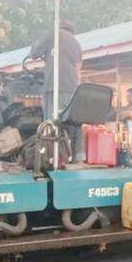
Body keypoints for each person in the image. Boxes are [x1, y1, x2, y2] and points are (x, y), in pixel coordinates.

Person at [30, 20, 84, 161]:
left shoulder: (52, 35)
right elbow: (78, 67)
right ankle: (79, 156)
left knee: (51, 122)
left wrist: (36, 40)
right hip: (72, 88)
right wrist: (76, 89)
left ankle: (52, 156)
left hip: (53, 87)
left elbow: (34, 53)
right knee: (73, 122)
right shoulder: (76, 43)